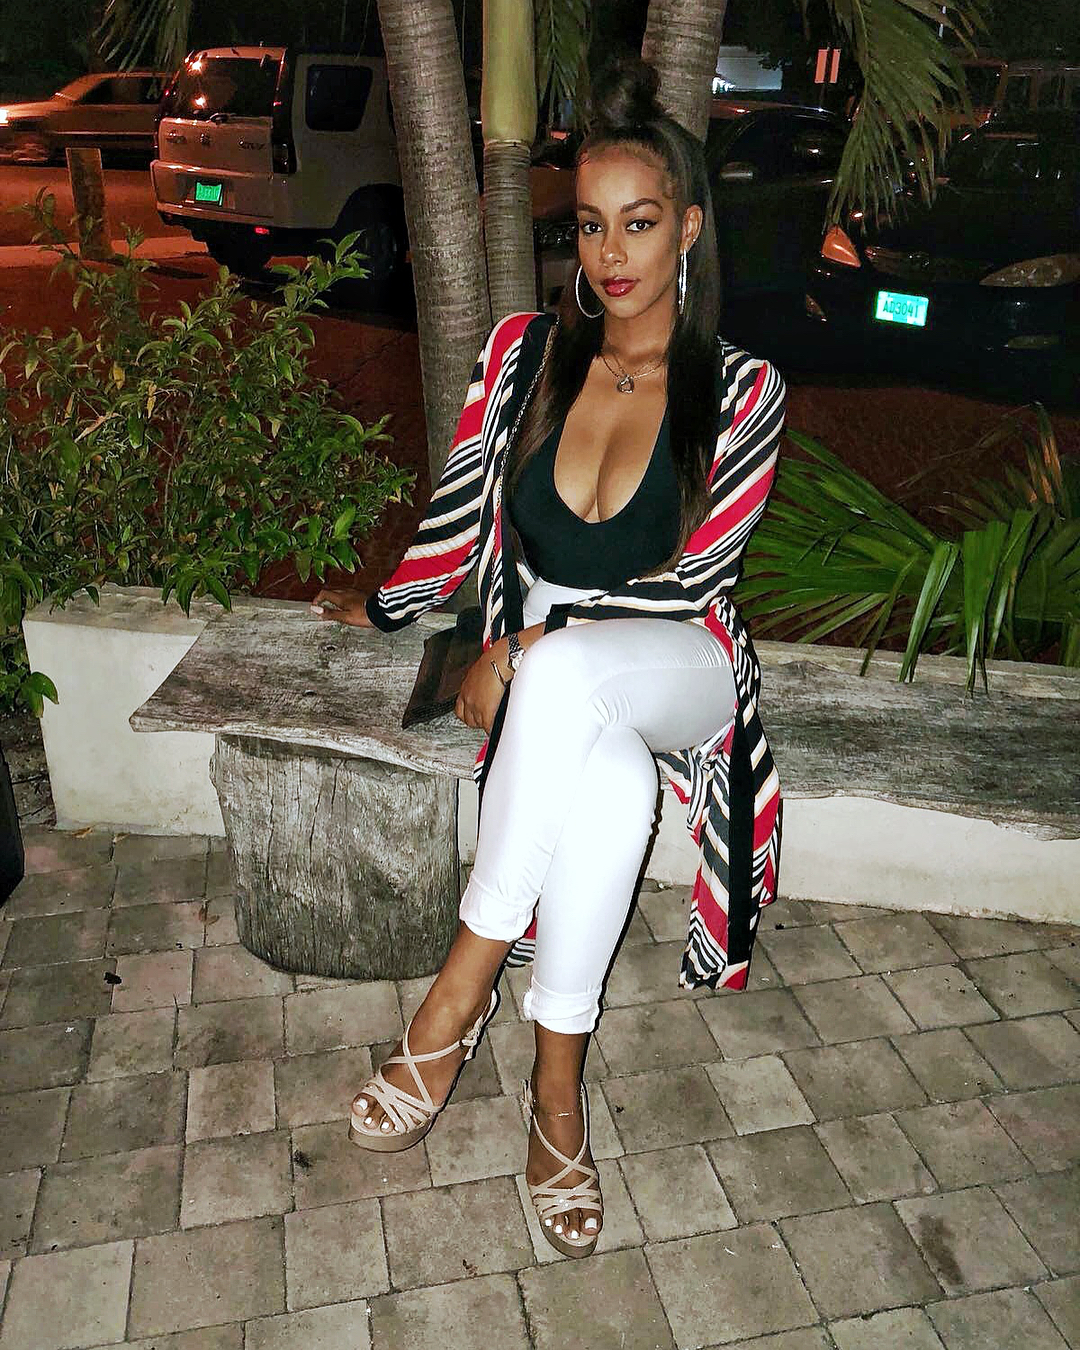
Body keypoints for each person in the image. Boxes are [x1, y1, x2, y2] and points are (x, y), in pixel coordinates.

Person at [310, 56, 785, 1260]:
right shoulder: (525, 354)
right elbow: (462, 509)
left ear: (688, 227)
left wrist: (523, 647)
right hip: (563, 682)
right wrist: (389, 609)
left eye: (640, 223)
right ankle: (557, 1098)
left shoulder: (742, 390)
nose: (612, 253)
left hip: (676, 661)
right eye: (589, 224)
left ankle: (452, 999)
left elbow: (698, 578)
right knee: (607, 785)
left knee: (573, 683)